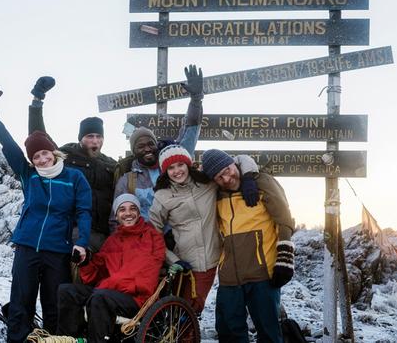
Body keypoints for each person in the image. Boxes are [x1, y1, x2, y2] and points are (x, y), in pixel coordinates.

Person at [0, 82, 91, 342]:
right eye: (36, 157)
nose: (42, 159)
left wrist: (81, 243)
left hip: (57, 251)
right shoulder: (29, 175)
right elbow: (7, 142)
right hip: (26, 247)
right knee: (20, 303)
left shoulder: (74, 177)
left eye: (45, 153)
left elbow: (84, 212)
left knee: (53, 307)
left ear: (54, 152)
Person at [148, 145, 260, 315]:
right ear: (165, 171)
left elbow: (241, 159)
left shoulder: (207, 182)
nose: (177, 171)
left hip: (212, 259)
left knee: (191, 311)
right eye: (171, 167)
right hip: (183, 263)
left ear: (188, 164)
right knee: (178, 312)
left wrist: (249, 177)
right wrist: (172, 260)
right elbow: (153, 233)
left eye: (180, 165)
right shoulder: (162, 196)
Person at [201, 149, 296, 343]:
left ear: (233, 163)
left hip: (261, 273)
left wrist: (285, 259)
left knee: (268, 332)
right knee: (228, 331)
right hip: (229, 276)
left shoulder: (262, 182)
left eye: (227, 170)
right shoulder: (216, 194)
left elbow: (284, 219)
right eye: (219, 177)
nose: (227, 178)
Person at [57, 194, 165, 343]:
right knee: (67, 291)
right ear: (117, 216)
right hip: (108, 293)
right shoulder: (113, 240)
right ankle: (68, 339)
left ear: (139, 213)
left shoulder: (152, 237)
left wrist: (108, 286)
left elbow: (145, 279)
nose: (128, 213)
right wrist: (85, 261)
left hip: (137, 299)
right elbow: (96, 273)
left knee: (100, 297)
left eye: (133, 209)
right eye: (122, 210)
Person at [28, 76, 117, 252]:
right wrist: (37, 101)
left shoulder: (110, 164)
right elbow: (38, 137)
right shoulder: (67, 155)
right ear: (81, 138)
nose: (95, 141)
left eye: (99, 137)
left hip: (104, 234)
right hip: (72, 230)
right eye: (90, 136)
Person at [113, 64, 204, 226]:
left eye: (150, 144)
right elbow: (116, 219)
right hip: (146, 244)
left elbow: (190, 129)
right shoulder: (127, 181)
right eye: (141, 146)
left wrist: (196, 100)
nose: (147, 149)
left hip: (179, 239)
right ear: (134, 151)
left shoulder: (172, 165)